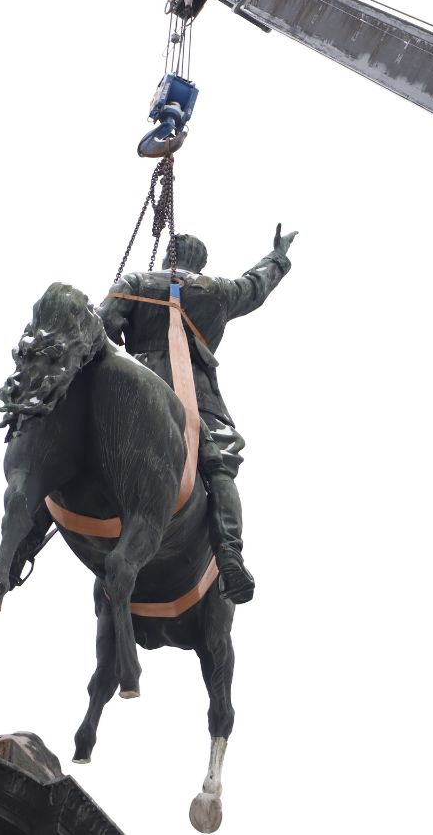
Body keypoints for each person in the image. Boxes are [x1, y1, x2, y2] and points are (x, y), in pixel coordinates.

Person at [97, 224, 297, 603]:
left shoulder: (137, 281)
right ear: (201, 264)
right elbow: (256, 285)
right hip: (196, 400)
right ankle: (229, 553)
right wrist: (279, 256)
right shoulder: (217, 291)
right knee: (218, 465)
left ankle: (26, 539)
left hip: (132, 392)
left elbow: (102, 328)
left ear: (166, 256)